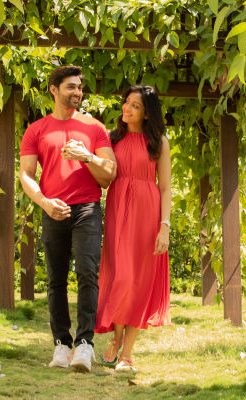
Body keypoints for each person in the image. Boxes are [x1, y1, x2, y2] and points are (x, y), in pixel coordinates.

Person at [19, 65, 117, 373]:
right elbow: (26, 174)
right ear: (54, 90)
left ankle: (84, 345)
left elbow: (109, 175)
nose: (77, 92)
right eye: (71, 87)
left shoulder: (95, 128)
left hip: (87, 208)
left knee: (88, 273)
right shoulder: (36, 130)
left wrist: (87, 157)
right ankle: (61, 344)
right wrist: (45, 203)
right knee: (55, 279)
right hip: (53, 210)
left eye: (80, 87)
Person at [95, 85, 171, 371]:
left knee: (139, 281)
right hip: (117, 211)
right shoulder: (112, 139)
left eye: (135, 106)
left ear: (148, 114)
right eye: (126, 103)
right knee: (120, 277)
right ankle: (115, 338)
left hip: (147, 214)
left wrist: (164, 227)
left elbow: (165, 188)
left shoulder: (159, 143)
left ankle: (127, 353)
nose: (126, 108)